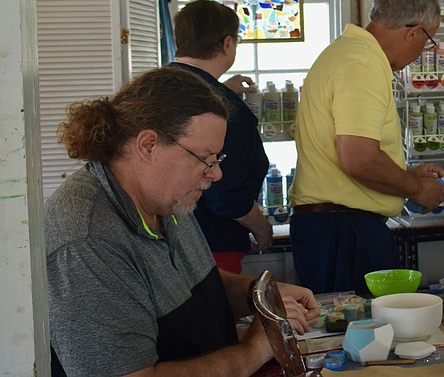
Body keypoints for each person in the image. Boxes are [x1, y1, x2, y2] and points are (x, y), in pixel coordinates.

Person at [46, 67, 319, 376]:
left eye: (217, 159)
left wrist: (258, 295)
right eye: (205, 158)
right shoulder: (87, 241)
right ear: (148, 145)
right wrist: (254, 350)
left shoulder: (165, 198)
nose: (216, 174)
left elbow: (196, 286)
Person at [289, 0, 444, 295]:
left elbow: (346, 156)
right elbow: (359, 159)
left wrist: (404, 175)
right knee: (357, 323)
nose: (423, 51)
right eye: (428, 41)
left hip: (336, 226)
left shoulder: (347, 52)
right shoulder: (362, 63)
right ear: (413, 32)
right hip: (344, 230)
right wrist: (417, 188)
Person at [171, 0, 272, 274]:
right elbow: (226, 190)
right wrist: (262, 227)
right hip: (210, 247)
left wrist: (220, 87)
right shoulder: (220, 107)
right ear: (227, 43)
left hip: (165, 240)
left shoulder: (160, 86)